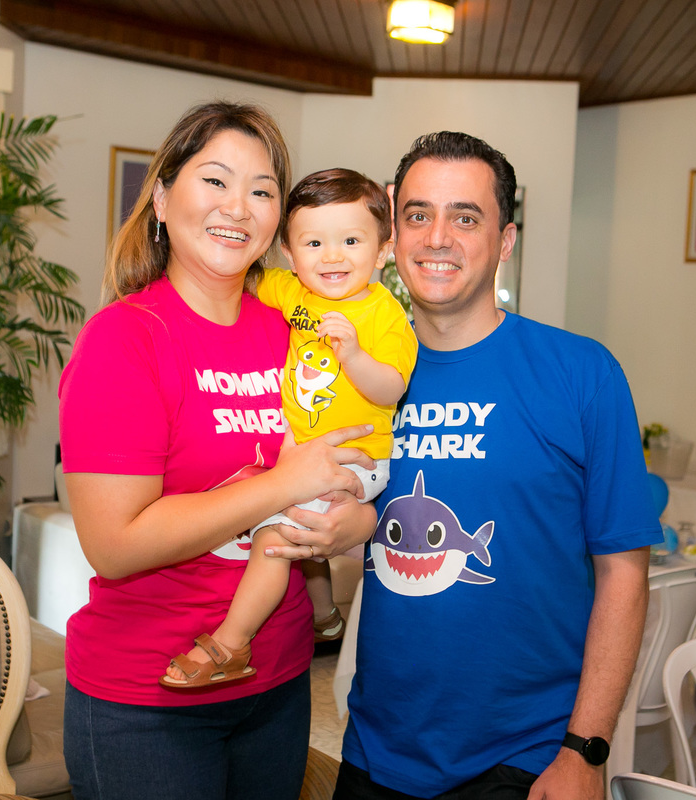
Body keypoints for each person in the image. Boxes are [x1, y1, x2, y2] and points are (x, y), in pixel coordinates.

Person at [56, 102, 377, 800]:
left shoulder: (296, 332)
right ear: (162, 198)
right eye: (215, 180)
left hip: (279, 682)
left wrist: (357, 522)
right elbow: (114, 545)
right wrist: (282, 485)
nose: (238, 207)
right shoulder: (124, 340)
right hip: (149, 699)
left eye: (262, 190)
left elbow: (346, 456)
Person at [335, 131, 659, 800]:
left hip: (526, 758)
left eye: (466, 217)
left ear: (505, 240)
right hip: (377, 748)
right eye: (418, 214)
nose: (437, 238)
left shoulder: (582, 373)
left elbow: (624, 574)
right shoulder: (359, 377)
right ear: (393, 233)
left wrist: (585, 751)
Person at [161, 168, 417, 689]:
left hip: (355, 456)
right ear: (290, 253)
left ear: (383, 251)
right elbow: (246, 275)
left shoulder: (384, 314)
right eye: (313, 243)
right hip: (304, 454)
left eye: (351, 241)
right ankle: (325, 616)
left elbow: (391, 388)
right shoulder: (294, 292)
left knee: (275, 537)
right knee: (301, 530)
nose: (332, 256)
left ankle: (231, 643)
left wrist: (353, 355)